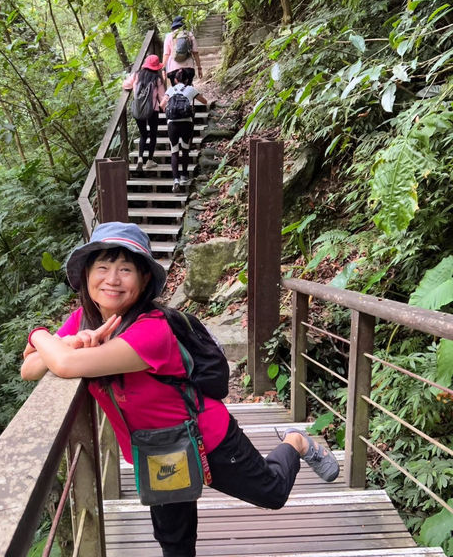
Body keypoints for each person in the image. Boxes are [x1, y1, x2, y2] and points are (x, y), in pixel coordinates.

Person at [21, 222, 340, 557]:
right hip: (156, 452)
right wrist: (67, 340)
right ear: (87, 274)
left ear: (144, 279)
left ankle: (296, 442)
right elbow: (29, 368)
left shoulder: (152, 330)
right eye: (102, 267)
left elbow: (63, 364)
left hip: (206, 438)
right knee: (174, 541)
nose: (112, 279)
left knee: (272, 493)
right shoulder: (83, 322)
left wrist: (40, 336)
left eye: (125, 269)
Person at [160, 69, 208, 193]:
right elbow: (204, 101)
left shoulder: (170, 90)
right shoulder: (190, 89)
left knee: (174, 151)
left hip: (172, 124)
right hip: (187, 123)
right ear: (187, 80)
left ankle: (176, 180)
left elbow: (162, 105)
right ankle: (184, 176)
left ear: (175, 80)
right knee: (185, 149)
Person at [123, 54, 166, 172]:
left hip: (138, 110)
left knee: (143, 135)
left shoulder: (136, 75)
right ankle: (149, 161)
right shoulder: (157, 79)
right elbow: (162, 97)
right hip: (153, 110)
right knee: (153, 135)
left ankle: (140, 158)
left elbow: (125, 85)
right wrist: (166, 109)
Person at [162, 16, 203, 86]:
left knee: (175, 90)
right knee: (188, 89)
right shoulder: (189, 35)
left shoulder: (169, 36)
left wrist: (163, 69)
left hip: (173, 69)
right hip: (188, 68)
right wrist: (199, 68)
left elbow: (166, 54)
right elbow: (195, 52)